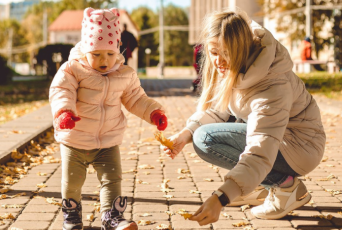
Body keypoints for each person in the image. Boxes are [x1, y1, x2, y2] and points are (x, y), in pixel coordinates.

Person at [162, 8, 325, 225]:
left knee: (206, 139)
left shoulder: (271, 85)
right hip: (283, 139)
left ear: (240, 47)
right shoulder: (239, 65)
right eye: (213, 52)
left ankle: (286, 187)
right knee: (204, 132)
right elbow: (221, 110)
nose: (219, 61)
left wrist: (221, 197)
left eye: (226, 52)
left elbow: (259, 151)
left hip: (300, 147)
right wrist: (184, 134)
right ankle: (257, 187)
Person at [49, 8, 168, 230]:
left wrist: (153, 112)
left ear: (117, 50)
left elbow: (136, 98)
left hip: (108, 140)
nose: (104, 61)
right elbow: (61, 91)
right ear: (85, 50)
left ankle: (112, 216)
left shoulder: (124, 74)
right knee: (72, 181)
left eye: (110, 54)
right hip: (75, 139)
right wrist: (64, 112)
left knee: (113, 178)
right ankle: (72, 214)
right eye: (96, 55)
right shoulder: (73, 70)